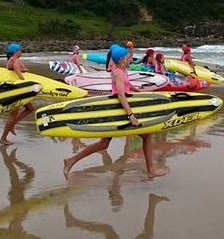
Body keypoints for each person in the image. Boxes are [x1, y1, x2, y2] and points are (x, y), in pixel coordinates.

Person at [63, 45, 169, 180]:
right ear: (122, 58)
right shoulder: (118, 72)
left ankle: (71, 160)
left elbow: (127, 85)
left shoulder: (122, 71)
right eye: (128, 56)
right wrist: (131, 115)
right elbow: (120, 94)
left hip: (118, 110)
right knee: (147, 136)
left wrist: (140, 92)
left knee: (103, 144)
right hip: (119, 111)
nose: (130, 58)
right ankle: (151, 170)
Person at [0, 43, 35, 145]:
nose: (21, 52)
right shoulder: (15, 60)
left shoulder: (12, 60)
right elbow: (16, 68)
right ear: (15, 52)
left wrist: (22, 69)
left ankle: (12, 125)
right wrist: (23, 82)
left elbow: (25, 69)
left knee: (30, 108)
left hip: (16, 89)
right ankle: (3, 138)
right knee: (13, 114)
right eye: (20, 50)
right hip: (16, 89)